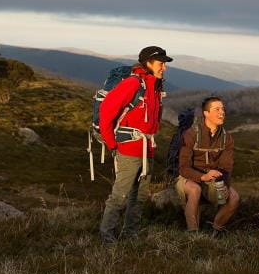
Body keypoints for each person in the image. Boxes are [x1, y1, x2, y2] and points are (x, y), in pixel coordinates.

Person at [98, 46, 172, 244]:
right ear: (147, 63)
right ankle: (107, 237)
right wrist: (112, 143)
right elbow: (106, 110)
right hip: (128, 149)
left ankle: (131, 235)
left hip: (147, 150)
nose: (164, 67)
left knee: (139, 197)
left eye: (164, 64)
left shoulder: (155, 87)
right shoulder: (133, 83)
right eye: (160, 63)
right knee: (120, 195)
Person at [176, 96, 240, 235]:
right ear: (206, 113)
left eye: (223, 109)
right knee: (195, 190)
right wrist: (203, 176)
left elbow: (226, 168)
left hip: (213, 179)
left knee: (233, 197)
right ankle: (193, 233)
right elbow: (183, 167)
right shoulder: (191, 134)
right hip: (189, 177)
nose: (222, 112)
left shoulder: (226, 138)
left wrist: (225, 186)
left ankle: (215, 230)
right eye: (217, 109)